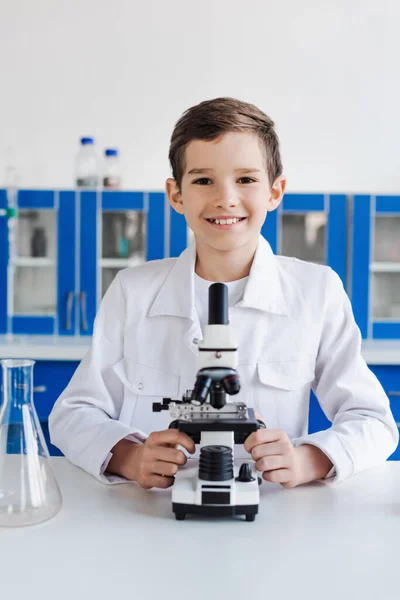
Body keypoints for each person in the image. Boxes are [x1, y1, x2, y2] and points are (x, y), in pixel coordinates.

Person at [49, 97, 398, 489]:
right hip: (146, 514)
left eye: (246, 179)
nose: (225, 198)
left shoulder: (316, 292)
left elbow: (374, 422)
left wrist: (309, 460)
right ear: (176, 195)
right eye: (202, 180)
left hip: (270, 520)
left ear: (275, 191)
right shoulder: (134, 291)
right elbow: (72, 413)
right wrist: (130, 457)